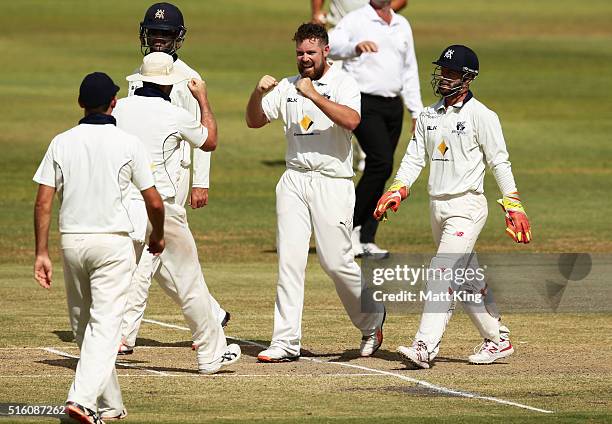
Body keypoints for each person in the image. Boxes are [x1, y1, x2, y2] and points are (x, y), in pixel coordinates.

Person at [373, 45, 532, 368]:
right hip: (438, 207)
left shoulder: (482, 116)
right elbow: (415, 157)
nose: (444, 78)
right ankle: (498, 339)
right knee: (465, 281)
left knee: (441, 273)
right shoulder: (429, 116)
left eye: (452, 73)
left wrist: (513, 204)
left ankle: (424, 347)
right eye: (442, 72)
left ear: (468, 78)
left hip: (468, 207)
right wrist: (398, 188)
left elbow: (499, 162)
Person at [246, 23, 385, 363]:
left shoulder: (344, 82)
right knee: (289, 262)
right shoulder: (287, 85)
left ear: (325, 51)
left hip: (332, 180)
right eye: (299, 53)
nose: (304, 58)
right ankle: (285, 341)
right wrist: (257, 93)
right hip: (294, 179)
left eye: (310, 52)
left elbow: (352, 121)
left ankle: (372, 320)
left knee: (335, 261)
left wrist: (314, 95)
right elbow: (253, 120)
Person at [33, 72, 165, 423]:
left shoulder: (61, 141)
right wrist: (158, 235)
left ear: (80, 103)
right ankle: (82, 400)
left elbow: (44, 202)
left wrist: (41, 252)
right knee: (104, 326)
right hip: (113, 244)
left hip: (72, 243)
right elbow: (154, 201)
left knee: (84, 327)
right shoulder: (128, 142)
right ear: (114, 103)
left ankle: (110, 405)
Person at [113, 52, 241, 373]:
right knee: (189, 282)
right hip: (164, 210)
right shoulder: (173, 113)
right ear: (168, 85)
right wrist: (203, 99)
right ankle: (209, 353)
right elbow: (209, 140)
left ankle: (120, 336)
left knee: (134, 271)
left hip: (124, 206)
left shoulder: (120, 109)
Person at [328, 0, 423, 258]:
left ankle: (366, 236)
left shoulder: (402, 24)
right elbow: (330, 46)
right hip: (363, 101)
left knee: (382, 169)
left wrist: (416, 111)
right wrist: (354, 48)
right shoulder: (357, 19)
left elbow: (409, 69)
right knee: (381, 162)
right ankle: (347, 229)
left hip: (393, 105)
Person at [311, 0, 408, 173]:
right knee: (328, 93)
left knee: (366, 95)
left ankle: (366, 153)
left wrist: (375, 18)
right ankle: (329, 148)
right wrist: (316, 12)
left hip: (370, 38)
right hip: (339, 35)